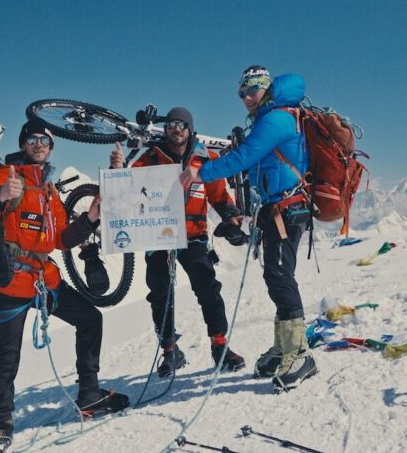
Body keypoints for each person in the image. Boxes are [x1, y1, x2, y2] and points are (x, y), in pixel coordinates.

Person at [0, 118, 129, 453]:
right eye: (32, 139)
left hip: (43, 279)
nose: (38, 144)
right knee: (8, 354)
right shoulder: (7, 177)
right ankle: (2, 425)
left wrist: (91, 218)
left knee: (90, 319)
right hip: (8, 281)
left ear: (51, 146)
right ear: (23, 144)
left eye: (44, 139)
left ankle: (88, 393)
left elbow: (60, 239)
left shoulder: (48, 189)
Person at [179, 66, 318, 392]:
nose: (245, 98)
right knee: (276, 273)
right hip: (277, 209)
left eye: (251, 91)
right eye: (241, 93)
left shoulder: (276, 119)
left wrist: (201, 173)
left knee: (280, 275)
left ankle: (299, 354)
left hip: (287, 209)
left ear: (265, 90)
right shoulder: (271, 118)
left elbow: (244, 157)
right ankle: (284, 347)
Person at [110, 107, 246, 377]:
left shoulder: (205, 159)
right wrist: (118, 170)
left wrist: (231, 217)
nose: (176, 129)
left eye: (181, 124)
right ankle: (170, 352)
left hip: (193, 235)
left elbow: (219, 196)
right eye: (171, 124)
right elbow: (125, 188)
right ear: (166, 129)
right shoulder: (151, 158)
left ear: (189, 129)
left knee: (207, 287)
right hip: (158, 236)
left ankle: (220, 346)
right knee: (160, 292)